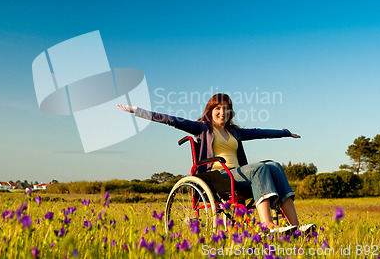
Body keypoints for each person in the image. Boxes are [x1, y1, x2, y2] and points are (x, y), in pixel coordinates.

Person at [118, 93, 315, 234]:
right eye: (218, 109)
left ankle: (296, 227)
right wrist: (137, 110)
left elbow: (260, 132)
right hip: (218, 176)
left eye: (226, 109)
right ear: (210, 111)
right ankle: (267, 226)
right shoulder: (202, 128)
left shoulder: (235, 132)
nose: (223, 112)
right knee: (261, 168)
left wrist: (285, 133)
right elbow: (171, 120)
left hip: (239, 174)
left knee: (275, 166)